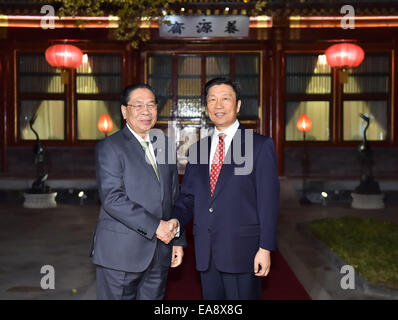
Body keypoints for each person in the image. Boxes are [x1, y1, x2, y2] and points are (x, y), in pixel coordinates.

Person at [172, 78, 279, 300]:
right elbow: (188, 198)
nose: (218, 105)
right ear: (206, 106)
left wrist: (265, 248)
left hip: (244, 250)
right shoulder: (198, 150)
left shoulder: (258, 145)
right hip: (206, 251)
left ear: (238, 105)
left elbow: (268, 201)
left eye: (225, 99)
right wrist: (174, 226)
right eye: (212, 99)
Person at [91, 83, 185, 300]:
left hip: (160, 251)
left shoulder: (165, 145)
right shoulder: (110, 147)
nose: (146, 111)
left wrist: (177, 240)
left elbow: (173, 196)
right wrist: (156, 227)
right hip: (121, 254)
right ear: (125, 111)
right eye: (138, 105)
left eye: (151, 105)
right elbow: (113, 199)